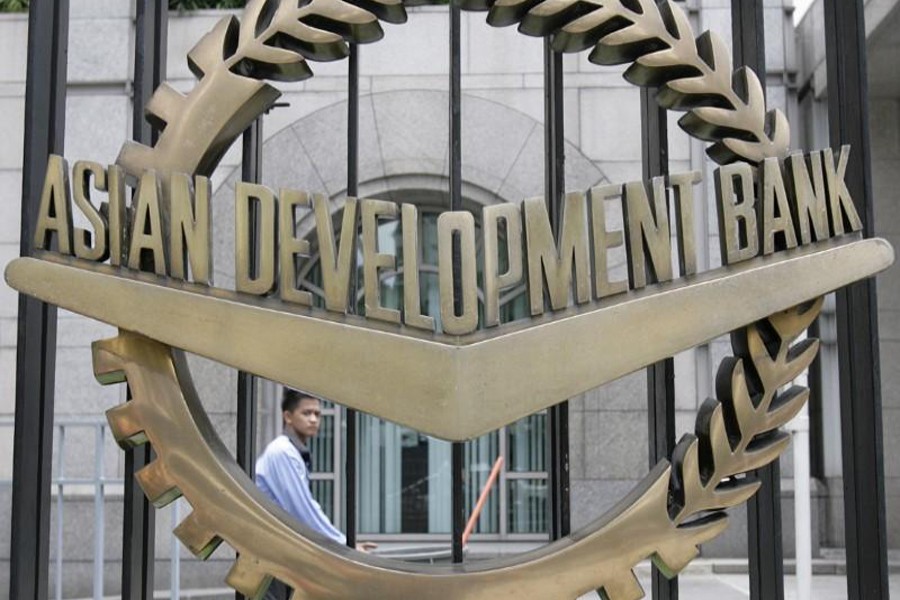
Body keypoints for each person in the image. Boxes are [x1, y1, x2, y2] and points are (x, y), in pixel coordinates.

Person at [255, 388, 374, 599]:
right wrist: (343, 545)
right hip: (272, 555)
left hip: (281, 554)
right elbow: (302, 509)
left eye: (317, 414)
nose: (313, 419)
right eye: (306, 413)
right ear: (288, 417)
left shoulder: (291, 451)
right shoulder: (282, 452)